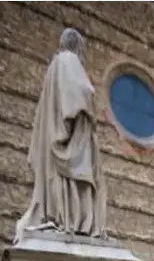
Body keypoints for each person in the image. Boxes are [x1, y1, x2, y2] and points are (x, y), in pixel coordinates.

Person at [15, 28, 106, 242]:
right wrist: (92, 111)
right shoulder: (69, 60)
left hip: (55, 137)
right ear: (76, 45)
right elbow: (80, 94)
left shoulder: (53, 68)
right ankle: (74, 220)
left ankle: (59, 215)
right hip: (72, 137)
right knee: (78, 179)